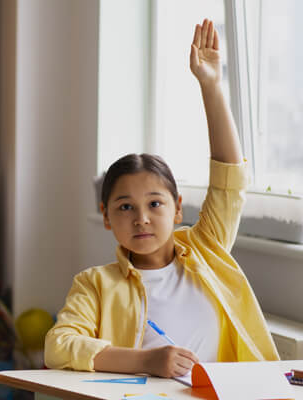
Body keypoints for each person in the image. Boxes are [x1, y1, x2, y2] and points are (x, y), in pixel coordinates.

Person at [44, 19, 279, 378]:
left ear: (177, 208)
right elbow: (59, 345)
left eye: (155, 203)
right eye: (125, 207)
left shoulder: (208, 250)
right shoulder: (95, 284)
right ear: (106, 217)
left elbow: (229, 181)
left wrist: (212, 86)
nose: (141, 218)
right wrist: (146, 361)